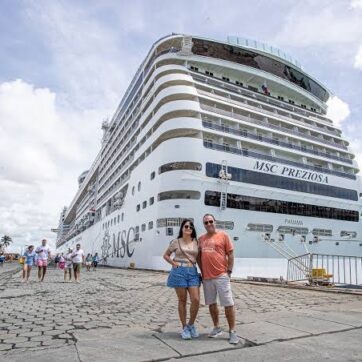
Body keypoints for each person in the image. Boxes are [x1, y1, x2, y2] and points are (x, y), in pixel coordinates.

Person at [198, 214, 239, 345]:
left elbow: (231, 254)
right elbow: (199, 257)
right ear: (204, 225)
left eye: (210, 221)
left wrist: (229, 272)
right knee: (211, 304)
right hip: (207, 277)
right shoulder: (201, 239)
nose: (209, 224)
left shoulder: (223, 236)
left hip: (221, 275)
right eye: (206, 223)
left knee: (228, 303)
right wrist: (202, 271)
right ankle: (216, 328)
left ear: (215, 222)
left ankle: (232, 331)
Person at [163, 219, 201, 340]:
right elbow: (166, 255)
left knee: (196, 300)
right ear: (182, 228)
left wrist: (203, 273)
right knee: (182, 300)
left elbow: (198, 259)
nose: (188, 228)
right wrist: (173, 263)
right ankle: (184, 327)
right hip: (179, 271)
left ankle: (191, 325)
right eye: (186, 226)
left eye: (191, 226)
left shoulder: (197, 242)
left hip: (193, 272)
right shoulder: (176, 242)